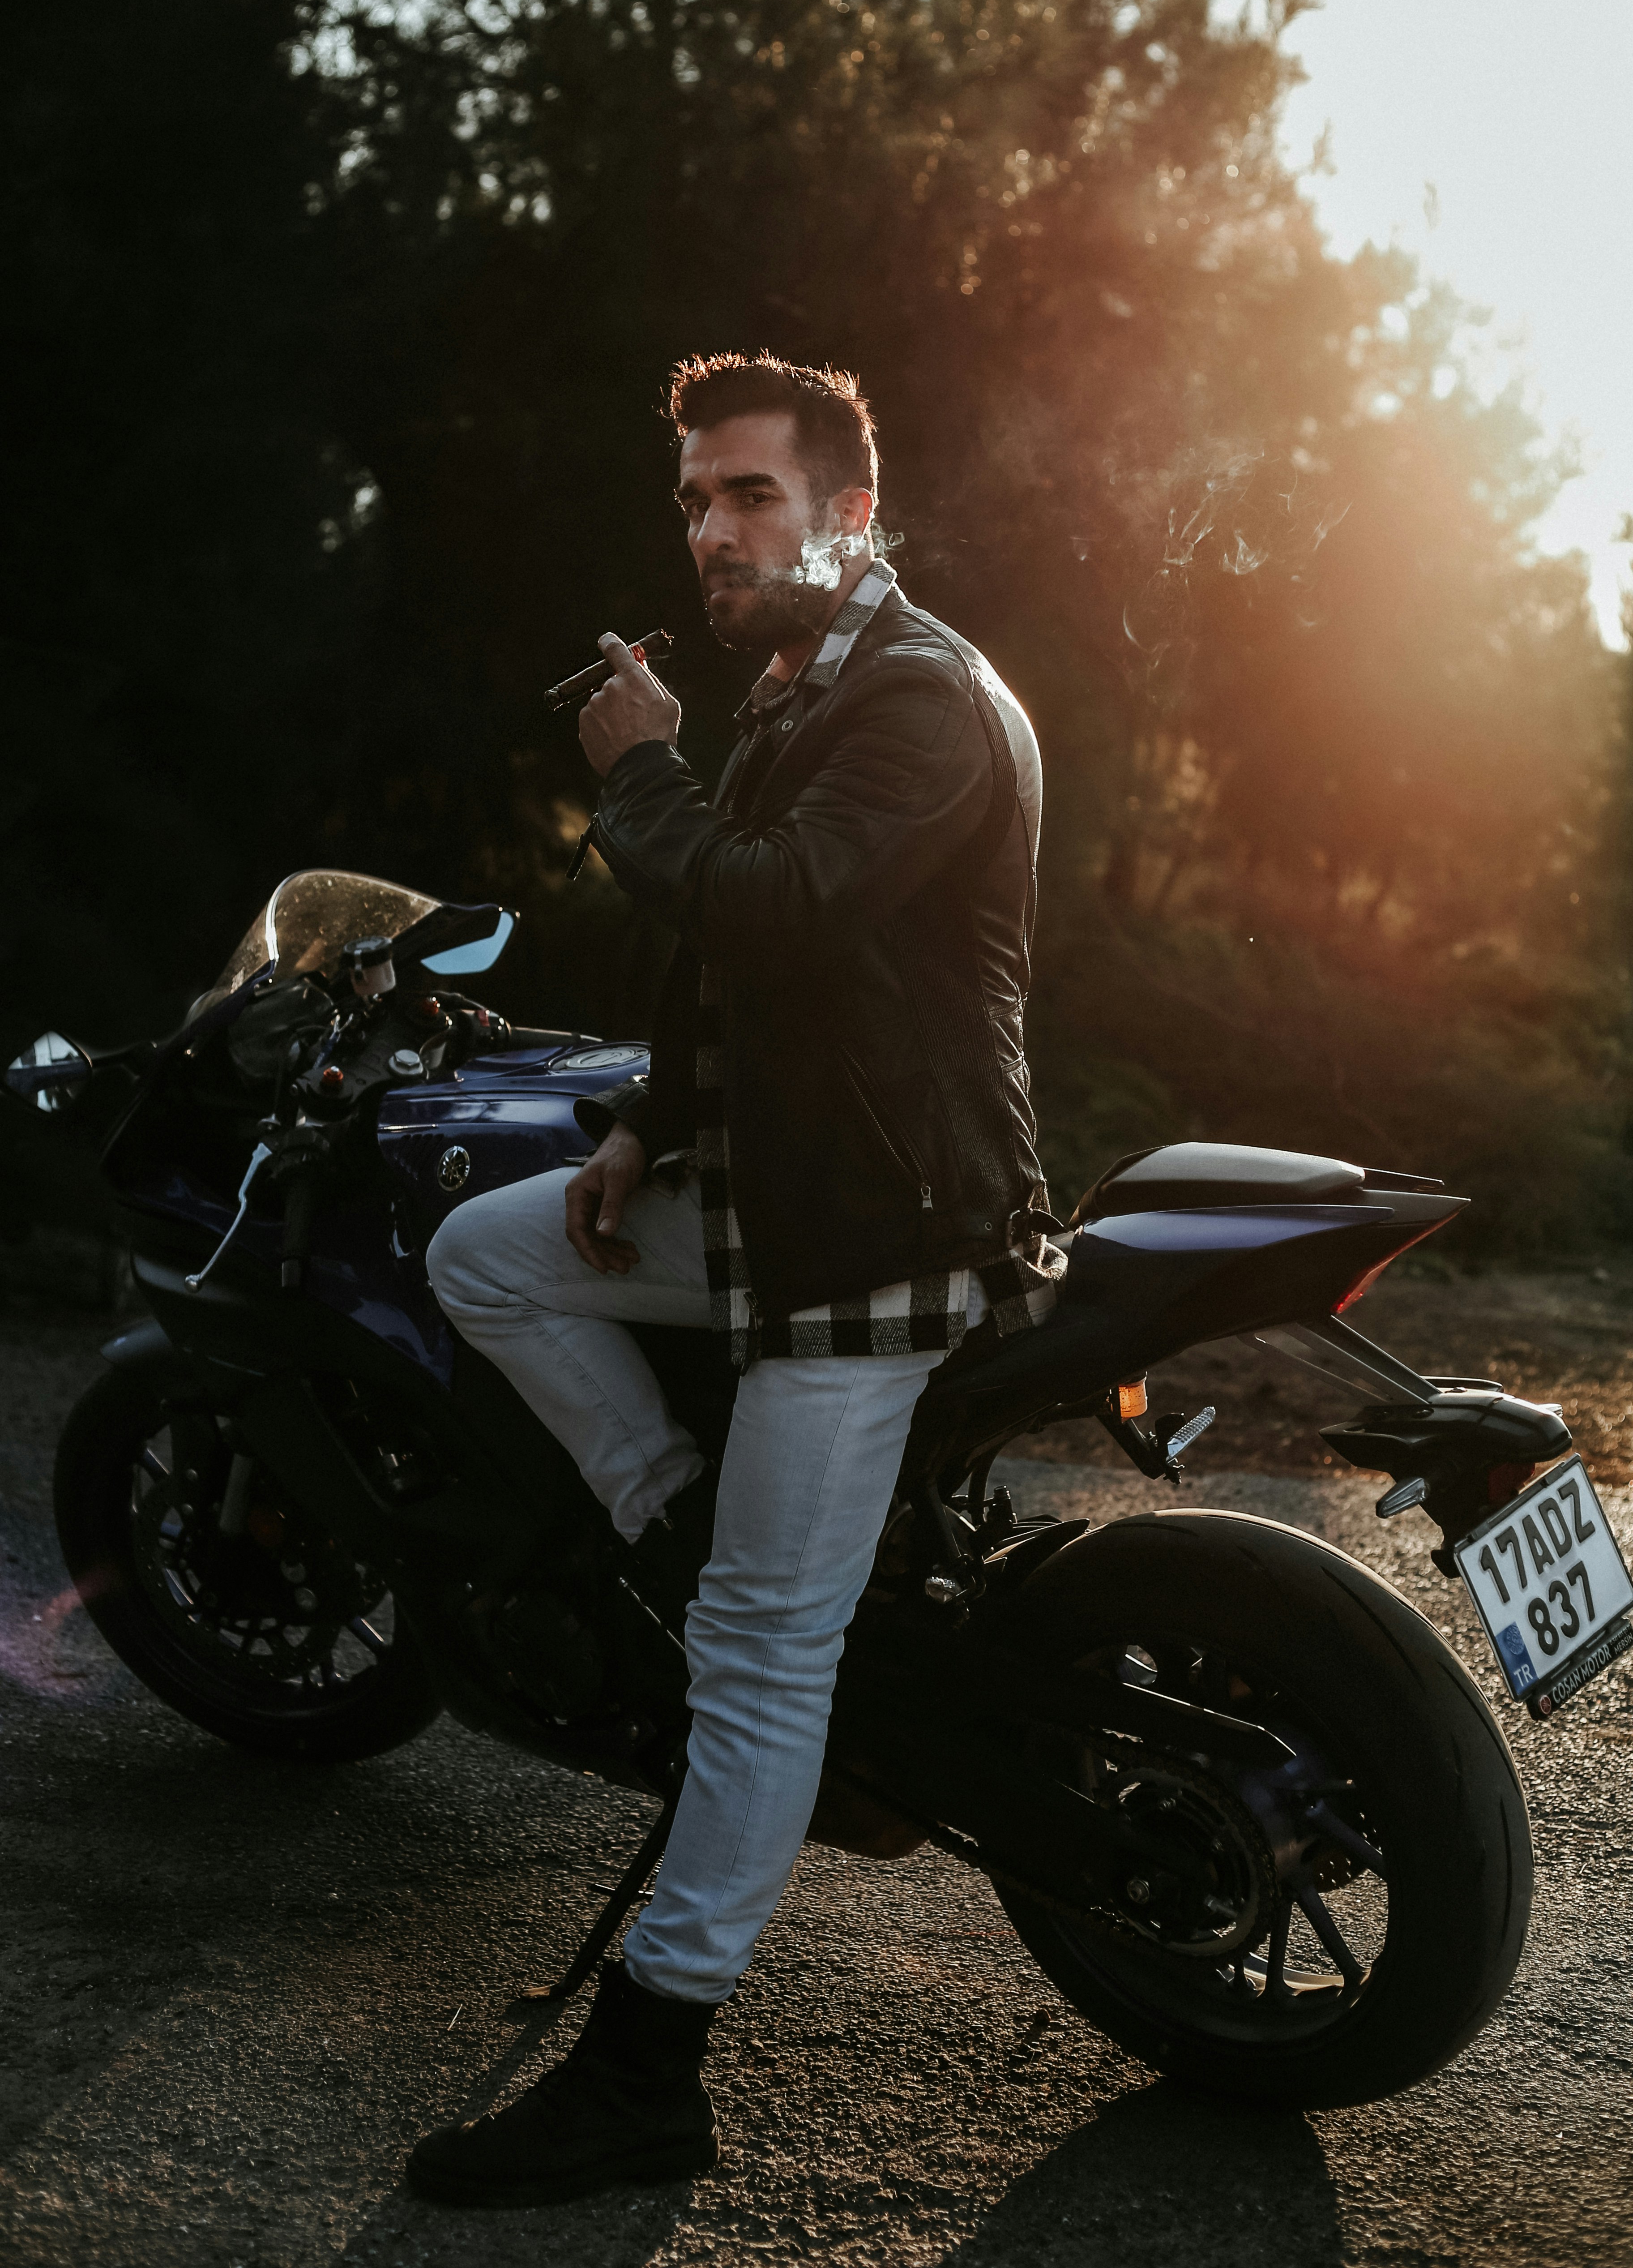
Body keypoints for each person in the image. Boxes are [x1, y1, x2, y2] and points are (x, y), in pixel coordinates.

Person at [409, 351, 1059, 2208]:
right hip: (772, 1189)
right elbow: (732, 981)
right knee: (483, 1247)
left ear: (851, 514)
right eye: (694, 501)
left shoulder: (925, 701)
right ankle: (668, 1506)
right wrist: (640, 1133)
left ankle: (645, 2075)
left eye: (748, 497)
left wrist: (640, 778)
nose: (710, 531)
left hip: (887, 1233)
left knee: (761, 1663)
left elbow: (772, 902)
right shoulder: (802, 688)